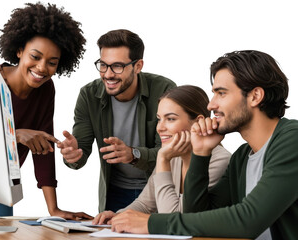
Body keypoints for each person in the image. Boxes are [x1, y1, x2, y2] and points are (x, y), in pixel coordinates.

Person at [110, 50, 298, 240]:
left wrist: (151, 223)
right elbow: (195, 218)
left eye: (221, 93)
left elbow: (248, 220)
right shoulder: (242, 158)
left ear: (255, 96)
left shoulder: (292, 140)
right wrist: (200, 153)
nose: (211, 105)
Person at [0, 2, 92, 219]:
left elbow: (43, 149)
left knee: (1, 235)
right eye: (35, 57)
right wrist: (15, 136)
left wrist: (53, 209)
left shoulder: (46, 89)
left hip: (2, 181)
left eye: (52, 62)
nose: (41, 68)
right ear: (19, 51)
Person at [57, 29, 176, 212]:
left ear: (138, 66)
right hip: (114, 193)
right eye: (103, 65)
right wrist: (73, 155)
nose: (108, 74)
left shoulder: (164, 90)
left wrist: (133, 154)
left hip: (158, 188)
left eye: (117, 66)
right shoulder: (89, 95)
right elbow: (80, 153)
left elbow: (170, 152)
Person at [92, 85, 230, 224]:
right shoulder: (173, 155)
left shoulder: (219, 161)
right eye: (159, 119)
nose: (160, 127)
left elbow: (175, 220)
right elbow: (145, 204)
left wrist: (162, 159)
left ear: (198, 121)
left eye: (170, 119)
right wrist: (118, 216)